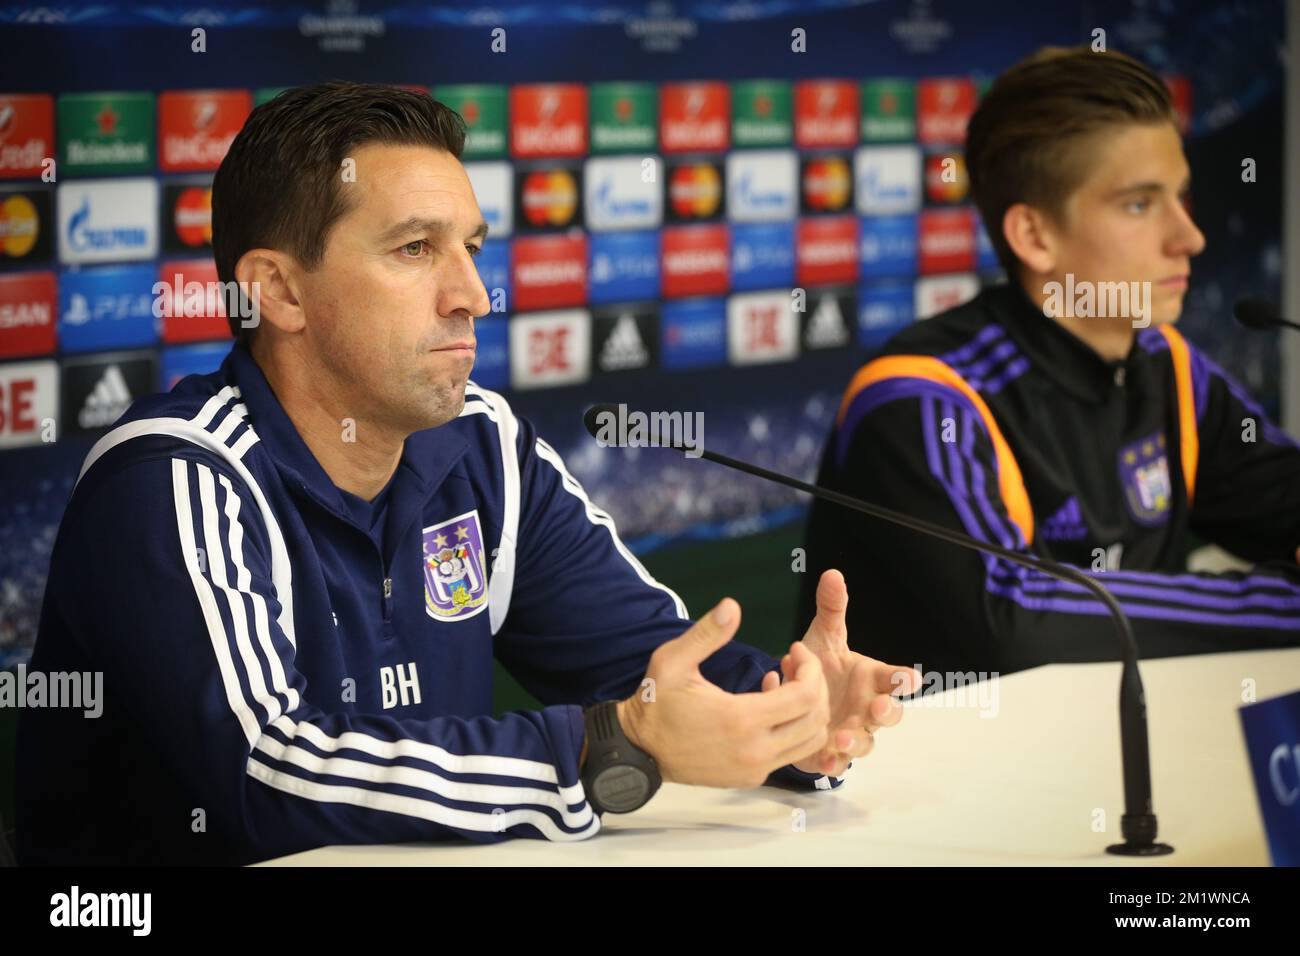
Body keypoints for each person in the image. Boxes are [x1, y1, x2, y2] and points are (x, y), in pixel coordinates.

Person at [17, 82, 918, 865]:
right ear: (279, 292)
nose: (473, 294)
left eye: (472, 248)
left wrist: (790, 713)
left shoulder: (481, 444)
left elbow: (649, 670)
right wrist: (604, 747)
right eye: (416, 249)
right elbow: (264, 777)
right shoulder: (175, 474)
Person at [798, 47, 1300, 676]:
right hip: (930, 769)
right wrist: (1284, 606)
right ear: (1033, 237)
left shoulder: (1166, 363)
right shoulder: (922, 396)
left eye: (1181, 195)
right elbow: (1015, 620)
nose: (1189, 236)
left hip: (1115, 755)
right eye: (1141, 205)